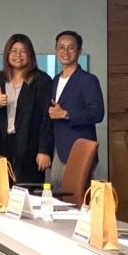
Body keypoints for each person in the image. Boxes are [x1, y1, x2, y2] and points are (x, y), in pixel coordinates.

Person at [0, 34, 52, 184]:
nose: (18, 56)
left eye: (23, 51)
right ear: (7, 53)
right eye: (13, 51)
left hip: (30, 145)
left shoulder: (42, 81)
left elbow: (46, 119)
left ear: (30, 55)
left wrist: (44, 150)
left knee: (26, 191)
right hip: (0, 143)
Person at [46, 30, 105, 188]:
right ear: (56, 50)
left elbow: (97, 113)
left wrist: (66, 114)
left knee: (76, 197)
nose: (65, 51)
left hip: (80, 148)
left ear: (79, 50)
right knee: (57, 194)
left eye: (71, 47)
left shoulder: (88, 80)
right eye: (61, 47)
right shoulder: (55, 80)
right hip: (58, 148)